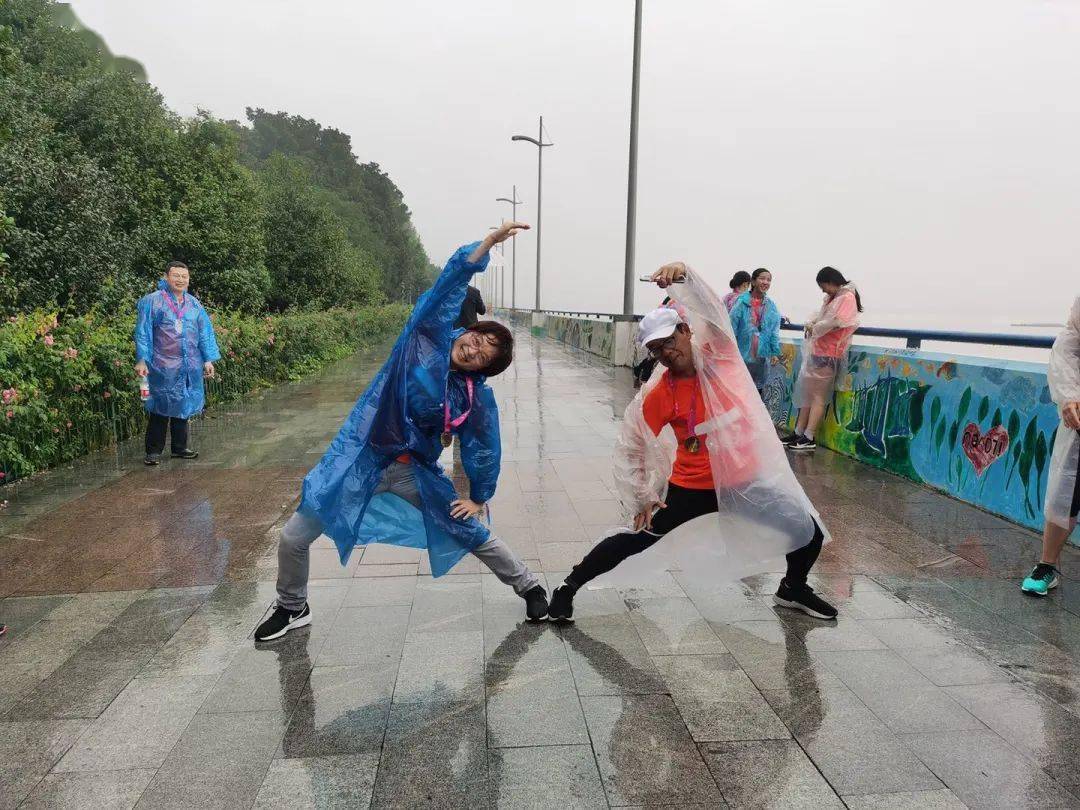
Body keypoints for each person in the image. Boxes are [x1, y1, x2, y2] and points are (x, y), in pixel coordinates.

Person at [256, 222, 547, 642]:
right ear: (468, 329)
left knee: (469, 529)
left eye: (486, 355)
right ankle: (291, 606)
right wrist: (483, 246)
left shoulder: (472, 397)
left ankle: (530, 586)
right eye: (480, 338)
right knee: (293, 536)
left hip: (416, 473)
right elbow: (446, 287)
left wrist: (479, 496)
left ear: (484, 369)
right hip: (363, 462)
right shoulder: (422, 338)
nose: (476, 348)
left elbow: (485, 445)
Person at [547, 261, 837, 623]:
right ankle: (568, 587)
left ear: (685, 331)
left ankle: (792, 588)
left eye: (669, 341)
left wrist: (684, 277)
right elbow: (633, 444)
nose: (667, 352)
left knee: (804, 529)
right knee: (637, 538)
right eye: (656, 349)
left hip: (743, 481)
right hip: (692, 487)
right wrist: (642, 496)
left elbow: (713, 313)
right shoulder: (660, 394)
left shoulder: (722, 358)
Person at [134, 261, 221, 466]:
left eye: (184, 276)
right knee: (160, 405)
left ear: (188, 279)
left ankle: (179, 448)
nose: (180, 279)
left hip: (189, 363)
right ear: (166, 277)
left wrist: (207, 359)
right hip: (160, 364)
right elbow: (143, 333)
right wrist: (142, 360)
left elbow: (204, 333)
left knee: (183, 402)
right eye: (176, 275)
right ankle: (153, 451)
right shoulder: (152, 302)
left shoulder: (194, 304)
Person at [1021, 296, 1080, 596]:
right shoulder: (1071, 337)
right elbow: (1063, 361)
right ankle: (1047, 566)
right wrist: (1069, 397)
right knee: (1066, 497)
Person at [786, 267, 862, 452]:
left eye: (824, 286)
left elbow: (838, 322)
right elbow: (824, 319)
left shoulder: (847, 298)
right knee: (808, 394)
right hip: (818, 351)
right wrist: (813, 323)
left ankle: (809, 436)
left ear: (832, 281)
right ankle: (799, 431)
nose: (824, 290)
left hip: (830, 353)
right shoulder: (833, 298)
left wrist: (816, 327)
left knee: (818, 396)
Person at [729, 268, 783, 396]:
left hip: (760, 361)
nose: (766, 282)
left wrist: (774, 352)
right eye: (762, 278)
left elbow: (774, 330)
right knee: (740, 396)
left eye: (769, 280)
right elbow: (731, 327)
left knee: (757, 397)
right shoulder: (742, 302)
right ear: (753, 281)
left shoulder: (770, 306)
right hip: (741, 358)